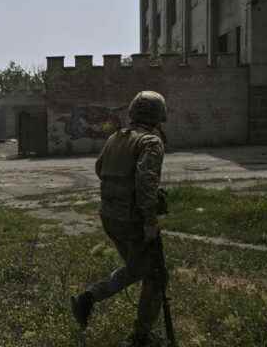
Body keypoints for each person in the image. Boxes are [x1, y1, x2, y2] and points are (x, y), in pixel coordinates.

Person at [71, 90, 169, 347]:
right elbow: (146, 181)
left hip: (110, 216)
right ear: (158, 115)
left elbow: (100, 168)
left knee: (137, 268)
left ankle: (88, 298)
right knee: (155, 276)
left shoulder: (116, 137)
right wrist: (149, 221)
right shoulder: (150, 142)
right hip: (132, 219)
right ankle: (140, 337)